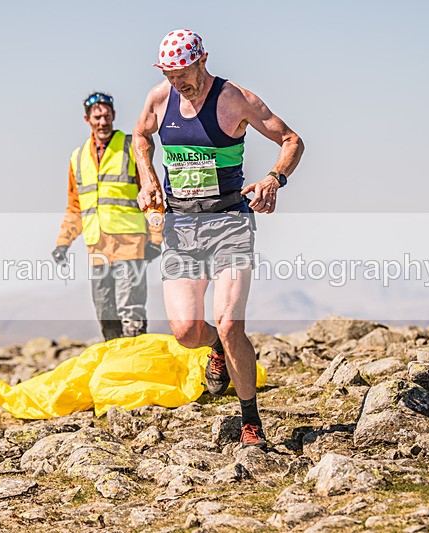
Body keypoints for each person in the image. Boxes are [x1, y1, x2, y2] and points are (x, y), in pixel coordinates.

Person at [133, 30, 304, 447]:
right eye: (170, 74)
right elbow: (140, 136)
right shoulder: (159, 98)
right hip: (181, 227)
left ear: (203, 60)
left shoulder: (235, 99)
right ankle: (213, 351)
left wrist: (273, 179)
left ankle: (251, 423)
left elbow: (291, 140)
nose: (179, 82)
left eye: (185, 72)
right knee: (188, 331)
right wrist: (148, 178)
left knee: (230, 324)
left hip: (229, 221)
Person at [53, 92, 163, 341]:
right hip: (97, 248)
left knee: (130, 311)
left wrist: (156, 238)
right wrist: (63, 243)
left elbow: (153, 193)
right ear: (87, 119)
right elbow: (75, 206)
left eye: (107, 116)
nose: (103, 122)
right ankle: (115, 370)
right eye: (97, 117)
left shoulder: (131, 147)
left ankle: (135, 364)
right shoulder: (77, 157)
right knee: (105, 313)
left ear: (113, 116)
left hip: (131, 244)